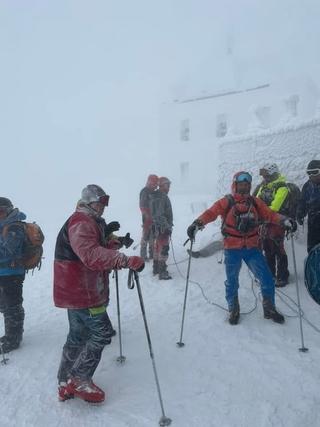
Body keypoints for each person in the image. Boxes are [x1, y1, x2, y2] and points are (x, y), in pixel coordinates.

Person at [54, 184, 144, 404]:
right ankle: (80, 378)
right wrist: (123, 259)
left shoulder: (87, 220)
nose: (103, 207)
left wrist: (116, 241)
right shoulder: (81, 222)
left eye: (105, 203)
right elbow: (90, 254)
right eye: (99, 203)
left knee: (77, 336)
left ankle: (65, 379)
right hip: (83, 291)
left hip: (75, 290)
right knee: (102, 333)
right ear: (88, 202)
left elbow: (93, 246)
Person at [187, 171, 297, 325]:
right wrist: (197, 223)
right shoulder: (227, 201)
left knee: (267, 278)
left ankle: (269, 308)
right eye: (241, 185)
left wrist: (285, 221)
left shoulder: (255, 202)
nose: (244, 188)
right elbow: (212, 212)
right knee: (232, 282)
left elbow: (270, 215)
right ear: (235, 185)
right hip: (232, 249)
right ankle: (233, 308)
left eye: (246, 185)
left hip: (252, 248)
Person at [0, 198, 27, 353]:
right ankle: (11, 331)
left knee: (12, 305)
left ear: (8, 210)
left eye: (1, 212)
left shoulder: (15, 226)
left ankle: (14, 338)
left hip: (12, 272)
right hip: (3, 272)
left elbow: (8, 249)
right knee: (4, 304)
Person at [256, 163, 290, 287]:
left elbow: (275, 207)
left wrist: (261, 211)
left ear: (273, 174)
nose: (264, 178)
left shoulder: (282, 187)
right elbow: (257, 200)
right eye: (264, 175)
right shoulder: (264, 186)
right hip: (265, 222)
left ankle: (283, 276)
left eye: (266, 175)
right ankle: (270, 274)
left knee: (278, 248)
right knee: (267, 248)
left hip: (277, 222)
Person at [151, 177, 173, 280]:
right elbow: (160, 214)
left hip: (156, 227)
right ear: (162, 185)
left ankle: (156, 268)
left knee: (157, 247)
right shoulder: (162, 197)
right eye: (167, 185)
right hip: (162, 227)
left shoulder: (155, 195)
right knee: (163, 248)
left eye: (169, 185)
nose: (169, 188)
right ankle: (162, 271)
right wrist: (167, 226)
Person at [297, 159, 320, 253]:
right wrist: (300, 213)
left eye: (314, 172)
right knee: (312, 249)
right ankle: (314, 266)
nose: (311, 176)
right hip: (313, 222)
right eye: (309, 173)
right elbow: (303, 202)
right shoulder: (307, 186)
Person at [139, 174, 159, 261]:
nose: (155, 186)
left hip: (154, 218)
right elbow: (142, 206)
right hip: (147, 219)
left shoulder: (153, 192)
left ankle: (151, 254)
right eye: (154, 184)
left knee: (153, 237)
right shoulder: (144, 192)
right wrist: (147, 217)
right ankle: (143, 256)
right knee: (145, 237)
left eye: (156, 184)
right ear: (150, 182)